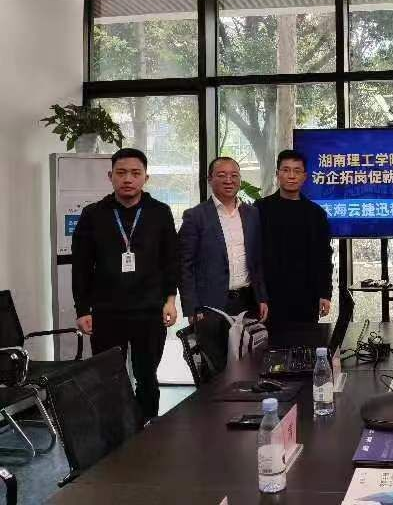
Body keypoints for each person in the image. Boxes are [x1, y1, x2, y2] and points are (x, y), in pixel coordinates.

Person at [72, 148, 178, 419]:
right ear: (110, 176)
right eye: (121, 173)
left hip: (150, 310)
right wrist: (82, 309)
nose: (128, 179)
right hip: (107, 311)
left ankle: (148, 429)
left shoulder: (160, 212)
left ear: (146, 178)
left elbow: (170, 260)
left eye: (135, 173)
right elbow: (81, 267)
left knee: (147, 376)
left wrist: (170, 299)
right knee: (108, 378)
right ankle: (115, 433)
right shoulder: (93, 214)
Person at [178, 157, 268, 370]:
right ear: (210, 179)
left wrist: (262, 297)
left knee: (250, 365)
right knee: (215, 366)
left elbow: (257, 261)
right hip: (211, 306)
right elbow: (184, 265)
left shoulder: (252, 214)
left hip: (247, 302)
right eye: (221, 175)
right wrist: (192, 307)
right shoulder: (196, 216)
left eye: (234, 175)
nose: (229, 180)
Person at [256, 149, 333, 323]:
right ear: (277, 174)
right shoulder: (260, 209)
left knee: (305, 339)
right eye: (286, 170)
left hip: (306, 296)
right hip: (268, 297)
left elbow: (324, 257)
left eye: (297, 171)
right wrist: (258, 295)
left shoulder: (316, 214)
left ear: (304, 177)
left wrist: (325, 293)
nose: (291, 176)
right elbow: (253, 255)